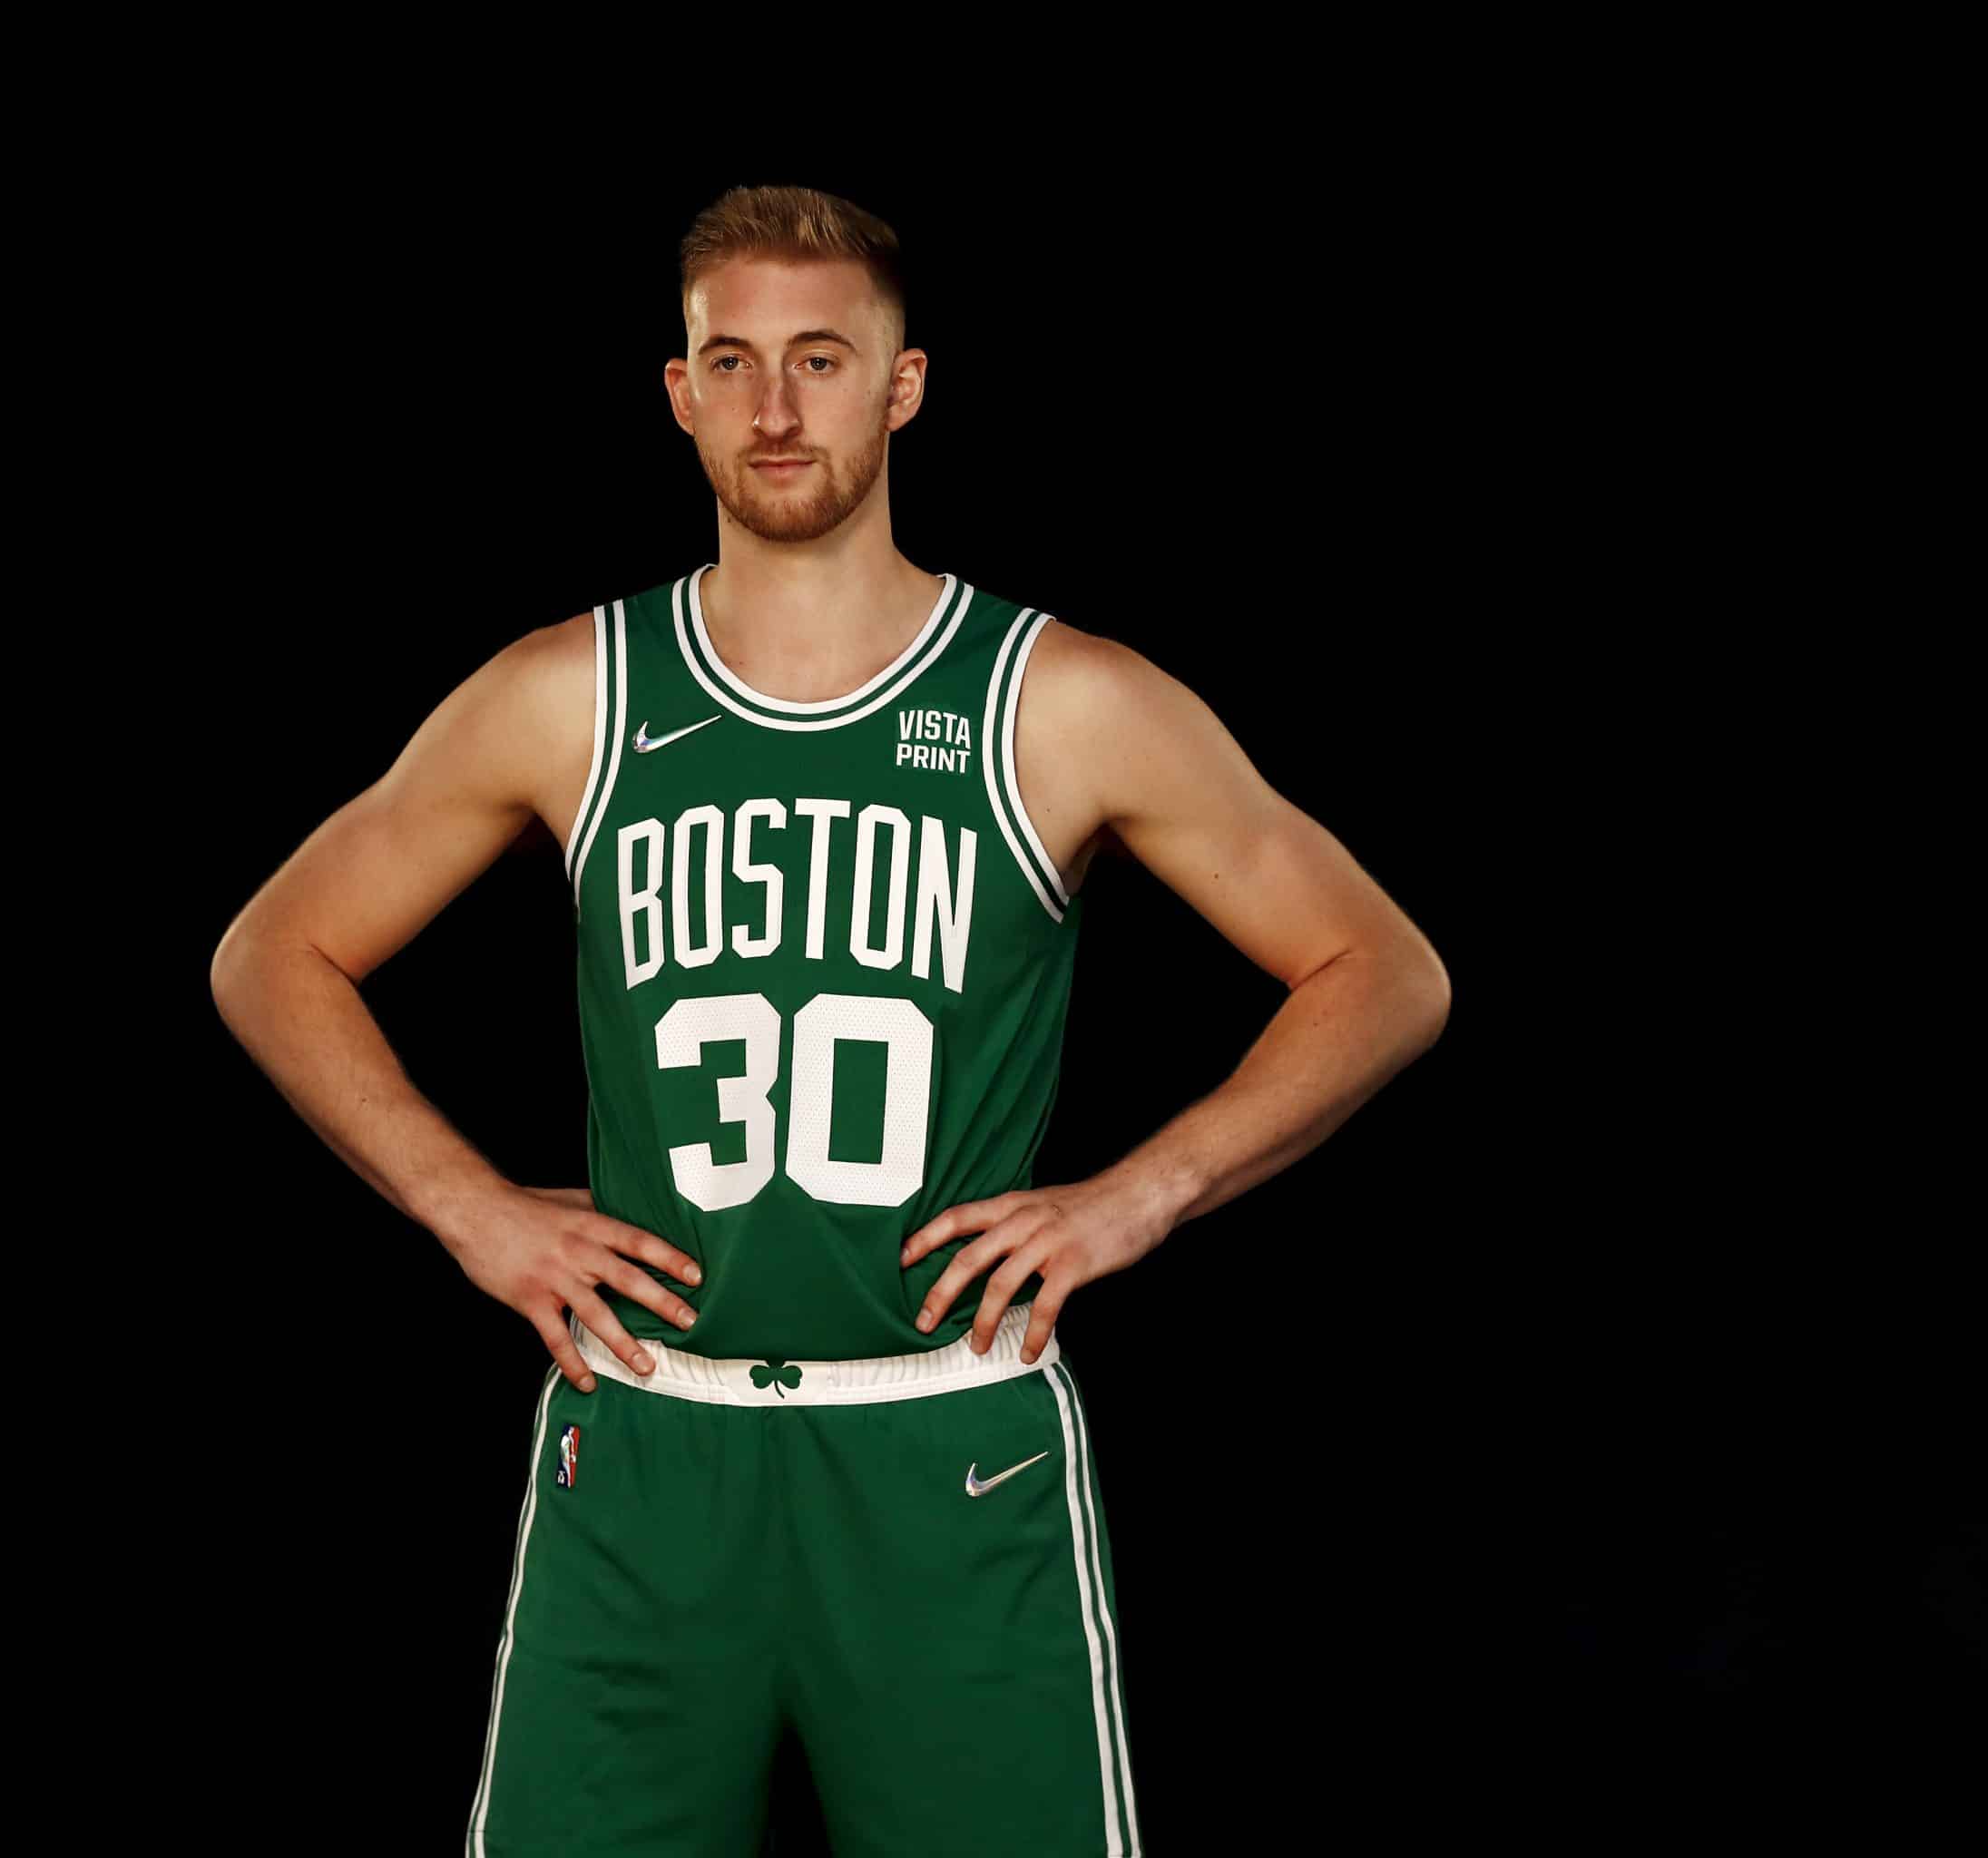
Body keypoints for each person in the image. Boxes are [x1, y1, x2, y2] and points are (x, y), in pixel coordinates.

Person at [209, 183, 1450, 1858]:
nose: (776, 407)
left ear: (903, 384)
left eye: (819, 358)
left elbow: (1382, 969)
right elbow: (274, 950)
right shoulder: (575, 691)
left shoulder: (1059, 698)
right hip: (648, 1443)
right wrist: (465, 1206)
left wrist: (1138, 1194)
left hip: (944, 1439)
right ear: (680, 391)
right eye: (734, 361)